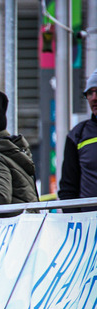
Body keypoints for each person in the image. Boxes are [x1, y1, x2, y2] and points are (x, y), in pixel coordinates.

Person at [58, 70, 97, 212]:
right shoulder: (78, 135)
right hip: (90, 227)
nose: (94, 98)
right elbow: (68, 188)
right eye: (89, 93)